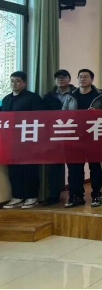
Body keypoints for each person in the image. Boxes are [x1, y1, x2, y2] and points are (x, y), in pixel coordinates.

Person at [66, 69, 102, 208]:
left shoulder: (100, 96)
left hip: (94, 136)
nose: (82, 79)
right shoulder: (70, 96)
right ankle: (76, 195)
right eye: (80, 76)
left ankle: (96, 194)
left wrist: (98, 113)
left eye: (86, 76)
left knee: (95, 167)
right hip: (75, 137)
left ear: (92, 79)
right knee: (75, 168)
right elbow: (63, 114)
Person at [2, 72, 44, 209]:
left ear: (24, 83)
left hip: (28, 140)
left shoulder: (33, 98)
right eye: (12, 81)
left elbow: (40, 118)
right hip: (11, 141)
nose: (14, 83)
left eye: (17, 81)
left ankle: (32, 197)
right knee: (14, 170)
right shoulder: (6, 99)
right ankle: (17, 196)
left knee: (30, 169)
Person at [42, 69, 77, 206]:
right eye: (58, 78)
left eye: (64, 77)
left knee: (73, 167)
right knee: (53, 168)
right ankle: (53, 195)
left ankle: (74, 194)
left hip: (72, 135)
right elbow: (42, 116)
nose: (60, 80)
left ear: (69, 79)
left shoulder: (76, 94)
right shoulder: (48, 96)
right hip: (54, 136)